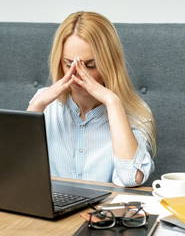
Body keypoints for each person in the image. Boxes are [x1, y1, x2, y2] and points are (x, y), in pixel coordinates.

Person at [27, 11, 156, 187]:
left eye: (90, 65)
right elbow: (14, 171)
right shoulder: (44, 102)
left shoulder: (136, 111)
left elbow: (130, 178)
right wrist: (36, 107)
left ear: (109, 64)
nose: (79, 73)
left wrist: (113, 103)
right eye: (68, 64)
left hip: (102, 213)